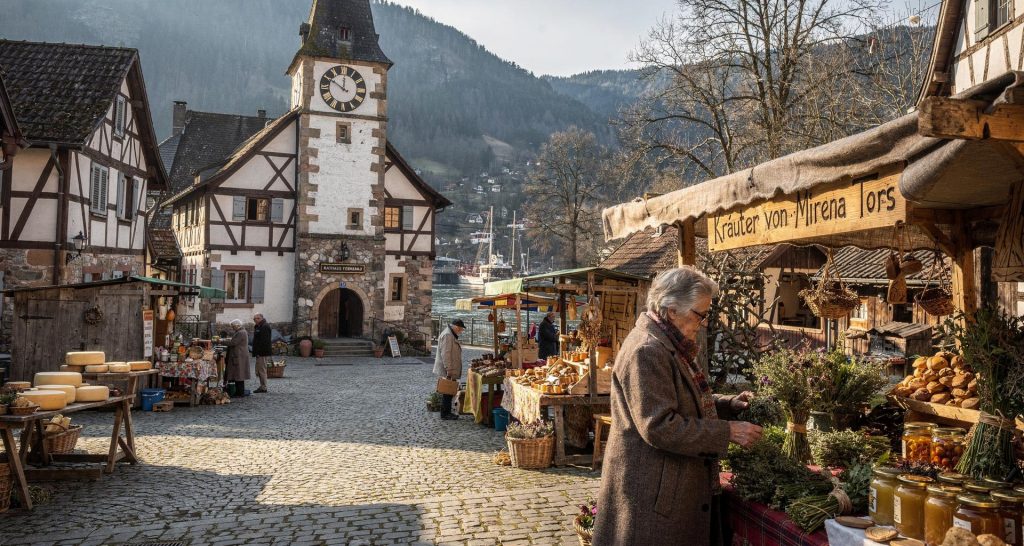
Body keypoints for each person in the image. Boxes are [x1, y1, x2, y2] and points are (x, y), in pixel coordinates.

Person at [592, 267, 763, 546]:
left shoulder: (669, 343)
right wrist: (727, 432)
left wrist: (728, 405)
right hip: (653, 496)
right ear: (672, 310)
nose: (703, 323)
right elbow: (659, 426)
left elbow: (684, 400)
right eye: (699, 314)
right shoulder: (647, 350)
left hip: (665, 489)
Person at [432, 318, 465, 420]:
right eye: (460, 329)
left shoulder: (450, 334)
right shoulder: (448, 335)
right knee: (447, 391)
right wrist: (449, 369)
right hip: (448, 369)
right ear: (456, 327)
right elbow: (446, 354)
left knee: (448, 391)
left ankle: (447, 412)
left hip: (449, 368)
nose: (461, 331)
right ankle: (445, 414)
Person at [223, 319, 251, 398]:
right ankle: (238, 391)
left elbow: (233, 342)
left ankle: (240, 392)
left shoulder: (241, 332)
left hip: (239, 355)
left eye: (233, 326)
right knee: (238, 374)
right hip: (238, 355)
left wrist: (221, 341)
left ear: (237, 325)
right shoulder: (240, 332)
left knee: (239, 374)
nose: (232, 328)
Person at [251, 313, 272, 394]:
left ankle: (263, 387)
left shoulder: (265, 326)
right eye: (254, 319)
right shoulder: (258, 326)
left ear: (261, 318)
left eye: (257, 318)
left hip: (262, 352)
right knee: (259, 370)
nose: (255, 320)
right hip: (259, 352)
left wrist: (259, 352)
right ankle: (262, 386)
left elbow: (265, 341)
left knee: (262, 370)